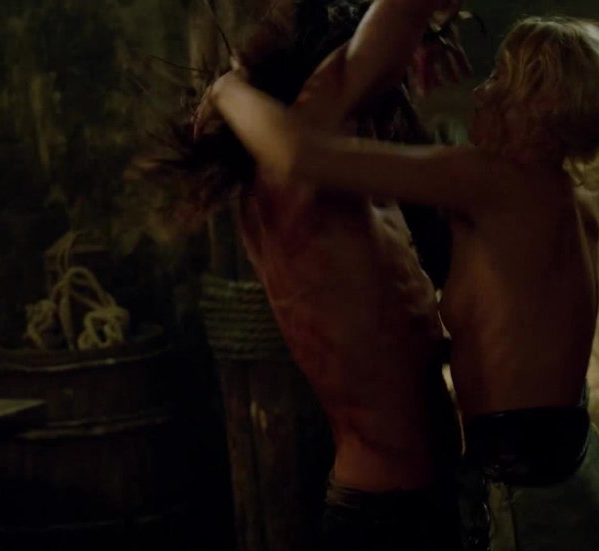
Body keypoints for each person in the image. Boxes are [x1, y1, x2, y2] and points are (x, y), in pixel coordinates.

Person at [200, 14, 599, 551]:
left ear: (539, 105)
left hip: (529, 503)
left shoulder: (488, 182)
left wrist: (226, 90)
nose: (481, 92)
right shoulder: (568, 202)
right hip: (583, 470)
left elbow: (299, 154)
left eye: (500, 77)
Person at [138, 0, 472, 549]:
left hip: (416, 497)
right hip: (390, 515)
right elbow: (380, 40)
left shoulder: (336, 185)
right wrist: (226, 89)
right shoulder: (292, 185)